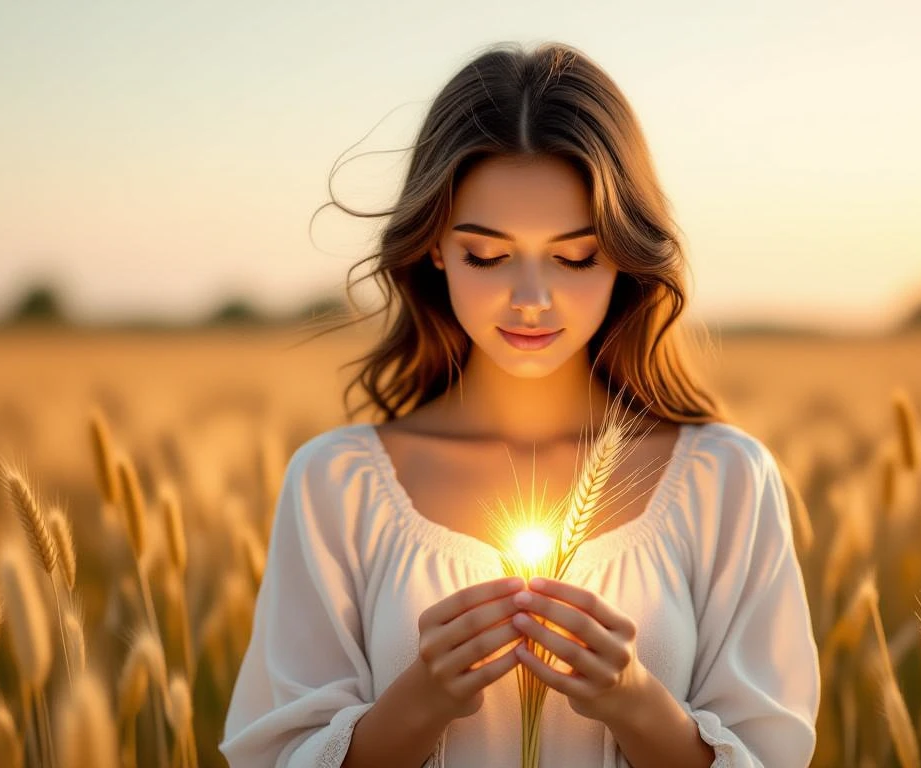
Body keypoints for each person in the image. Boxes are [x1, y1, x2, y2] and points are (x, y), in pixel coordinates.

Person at [219, 41, 819, 768]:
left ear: (626, 254)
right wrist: (422, 697)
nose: (532, 300)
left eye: (574, 257)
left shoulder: (727, 481)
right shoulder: (335, 486)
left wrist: (633, 699)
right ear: (435, 247)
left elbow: (773, 754)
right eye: (487, 254)